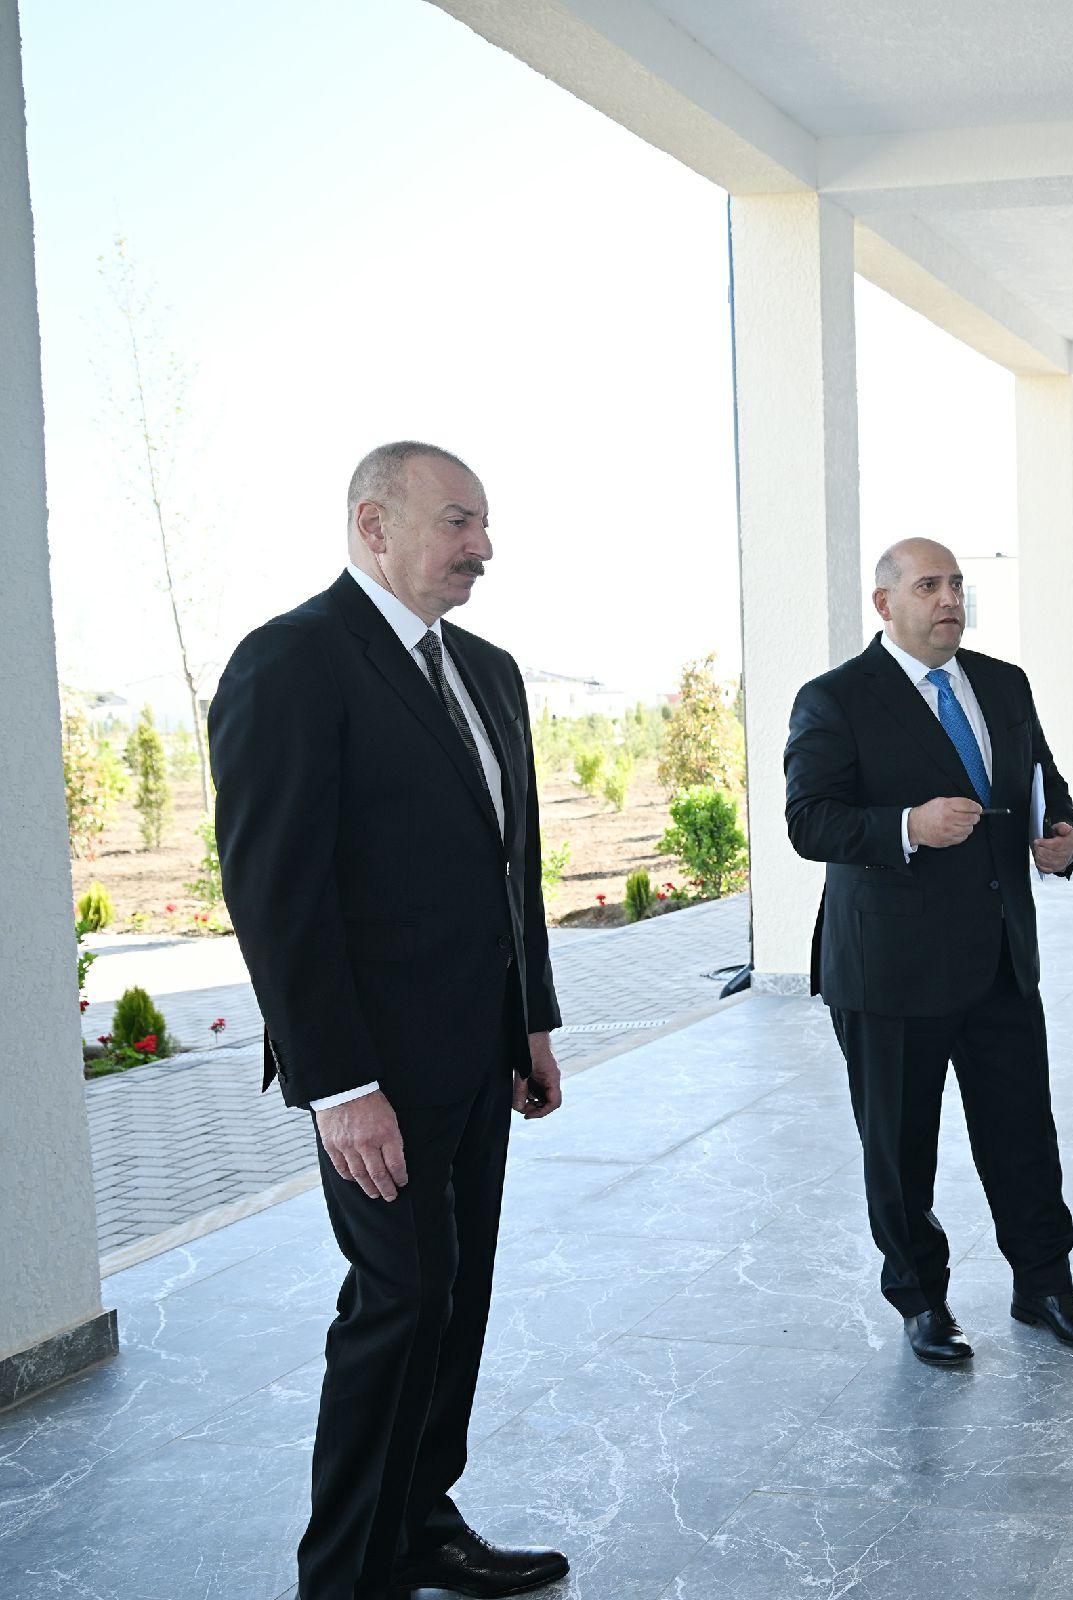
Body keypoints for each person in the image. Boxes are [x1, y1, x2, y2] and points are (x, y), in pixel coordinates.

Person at [211, 441, 570, 1600]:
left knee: (455, 1298)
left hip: (480, 1053)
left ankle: (420, 1519)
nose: (483, 547)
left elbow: (513, 865)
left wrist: (530, 1020)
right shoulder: (292, 661)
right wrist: (338, 1085)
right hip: (375, 1070)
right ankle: (345, 1574)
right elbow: (278, 893)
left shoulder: (490, 671)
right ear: (375, 525)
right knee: (401, 1299)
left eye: (483, 523)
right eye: (458, 521)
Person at [783, 537, 1073, 1364]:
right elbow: (809, 821)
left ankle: (1045, 1286)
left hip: (1000, 959)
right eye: (928, 585)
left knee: (1024, 1137)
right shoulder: (835, 699)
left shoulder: (1003, 684)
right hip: (890, 971)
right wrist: (906, 826)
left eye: (957, 584)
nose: (949, 599)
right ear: (885, 603)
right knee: (901, 1152)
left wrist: (1062, 835)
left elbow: (1042, 781)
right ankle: (922, 1302)